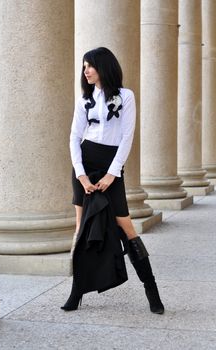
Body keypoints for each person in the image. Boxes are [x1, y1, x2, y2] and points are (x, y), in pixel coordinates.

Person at [61, 47, 164, 314]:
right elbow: (74, 137)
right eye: (84, 66)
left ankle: (150, 288)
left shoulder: (126, 96)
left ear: (103, 66)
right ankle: (76, 292)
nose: (86, 70)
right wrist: (81, 175)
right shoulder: (84, 100)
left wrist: (112, 173)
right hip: (84, 164)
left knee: (126, 227)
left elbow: (127, 136)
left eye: (90, 65)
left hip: (111, 167)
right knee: (81, 229)